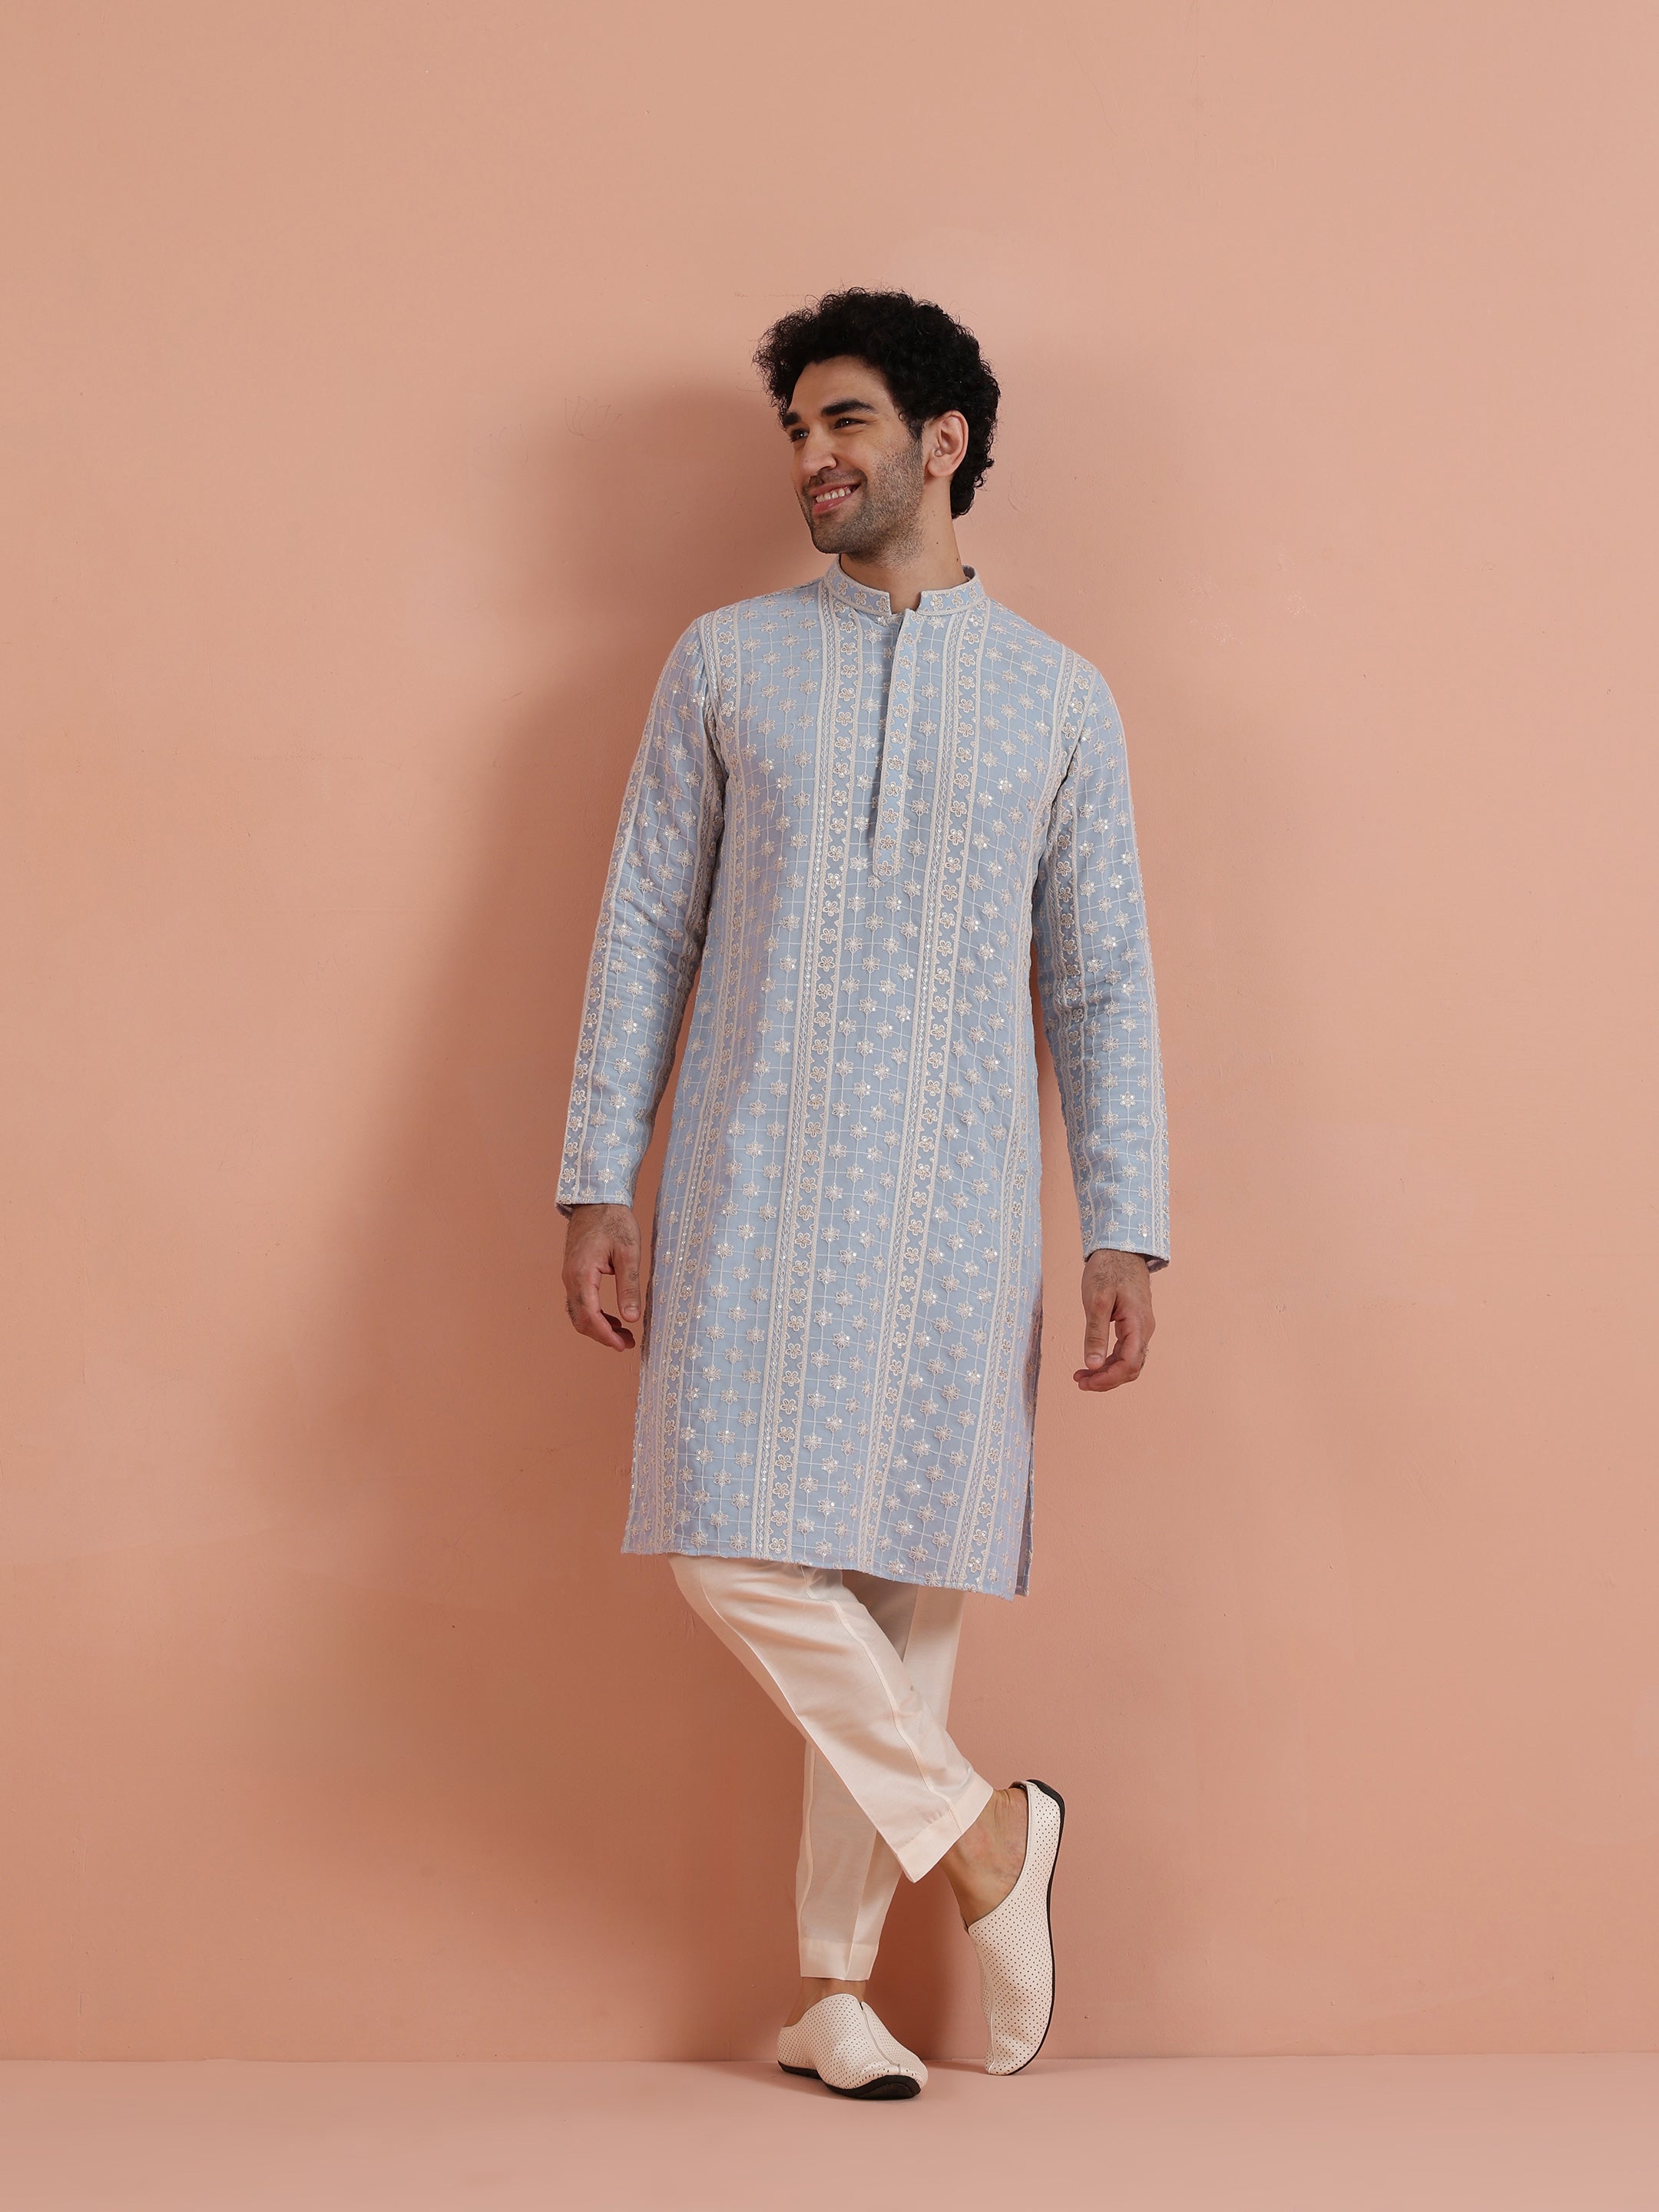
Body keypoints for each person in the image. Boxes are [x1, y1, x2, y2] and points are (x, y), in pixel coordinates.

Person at [558, 289, 1169, 2096]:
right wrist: (598, 1175)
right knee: (724, 1534)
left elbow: (1101, 982)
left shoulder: (1059, 699)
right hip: (755, 1170)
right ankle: (990, 1840)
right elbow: (646, 924)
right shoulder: (725, 664)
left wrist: (1124, 1220)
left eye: (843, 424)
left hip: (958, 1197)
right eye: (797, 433)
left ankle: (832, 1989)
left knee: (905, 1590)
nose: (812, 460)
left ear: (942, 442)